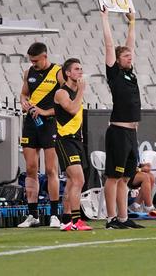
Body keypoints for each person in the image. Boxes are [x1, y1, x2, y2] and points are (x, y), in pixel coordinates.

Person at [101, 7, 144, 229]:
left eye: (129, 55)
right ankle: (110, 218)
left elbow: (131, 45)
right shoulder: (115, 73)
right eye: (125, 56)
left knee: (126, 179)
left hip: (131, 132)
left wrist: (132, 23)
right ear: (117, 61)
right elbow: (110, 46)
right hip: (118, 131)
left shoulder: (130, 72)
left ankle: (124, 218)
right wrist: (105, 18)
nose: (129, 57)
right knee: (113, 177)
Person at [18, 42, 64, 229]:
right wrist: (23, 102)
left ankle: (54, 214)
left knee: (51, 170)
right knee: (30, 169)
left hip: (50, 124)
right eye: (31, 60)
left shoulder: (58, 72)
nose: (33, 63)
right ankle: (32, 214)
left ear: (45, 56)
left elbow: (64, 101)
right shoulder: (29, 72)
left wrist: (45, 112)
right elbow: (23, 94)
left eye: (36, 60)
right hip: (30, 123)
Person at [52, 59, 92, 231]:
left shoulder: (75, 91)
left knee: (71, 182)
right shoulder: (62, 92)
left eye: (81, 68)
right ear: (68, 73)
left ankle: (67, 220)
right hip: (65, 140)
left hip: (76, 140)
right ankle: (77, 221)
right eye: (76, 69)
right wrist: (82, 91)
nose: (80, 72)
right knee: (78, 179)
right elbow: (72, 109)